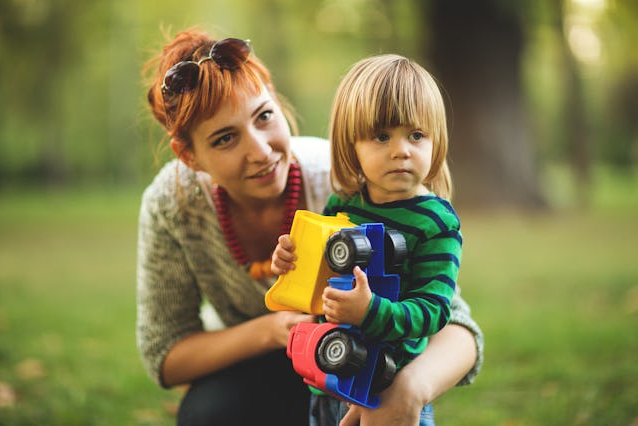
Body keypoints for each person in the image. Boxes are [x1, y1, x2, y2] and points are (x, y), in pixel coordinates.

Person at [137, 28, 483, 426]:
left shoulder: (351, 179)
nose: (261, 151)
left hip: (364, 362)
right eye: (225, 138)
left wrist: (410, 389)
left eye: (264, 116)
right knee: (208, 414)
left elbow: (454, 320)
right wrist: (275, 328)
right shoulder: (173, 206)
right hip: (265, 365)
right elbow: (165, 354)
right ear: (189, 156)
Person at [271, 54, 467, 425]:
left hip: (387, 394)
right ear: (351, 145)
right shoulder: (343, 204)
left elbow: (433, 311)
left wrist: (369, 312)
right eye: (381, 136)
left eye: (416, 135)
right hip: (327, 378)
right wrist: (291, 265)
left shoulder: (436, 223)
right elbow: (319, 282)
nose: (401, 150)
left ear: (436, 141)